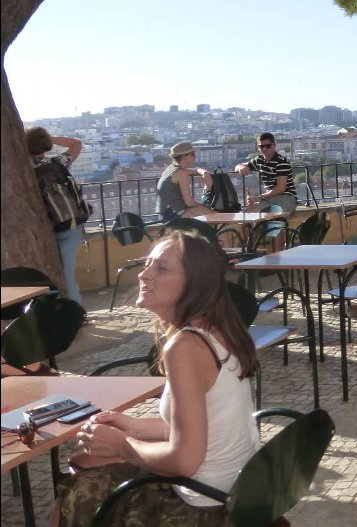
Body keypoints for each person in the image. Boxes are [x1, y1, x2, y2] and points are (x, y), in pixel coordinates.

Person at [52, 230, 259, 527]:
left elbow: (185, 459)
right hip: (235, 489)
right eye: (147, 264)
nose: (144, 274)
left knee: (77, 491)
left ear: (193, 285)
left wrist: (122, 444)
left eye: (161, 268)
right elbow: (200, 426)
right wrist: (132, 426)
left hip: (207, 506)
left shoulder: (185, 346)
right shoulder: (216, 330)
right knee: (86, 468)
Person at [26, 127, 85, 305]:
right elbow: (76, 143)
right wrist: (47, 139)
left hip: (46, 225)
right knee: (66, 272)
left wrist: (27, 140)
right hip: (70, 223)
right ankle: (76, 309)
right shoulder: (58, 163)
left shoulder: (25, 169)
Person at [235, 133, 298, 213]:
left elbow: (280, 188)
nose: (264, 149)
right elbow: (238, 166)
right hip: (269, 198)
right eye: (261, 146)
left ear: (274, 145)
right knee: (245, 214)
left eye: (268, 146)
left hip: (286, 197)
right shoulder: (259, 160)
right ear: (258, 148)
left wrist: (258, 198)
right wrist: (241, 168)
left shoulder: (281, 162)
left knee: (264, 216)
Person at [157, 142, 214, 221]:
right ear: (184, 156)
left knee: (210, 216)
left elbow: (195, 170)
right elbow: (189, 203)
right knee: (216, 217)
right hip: (174, 214)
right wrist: (205, 205)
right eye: (193, 154)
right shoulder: (181, 173)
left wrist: (204, 173)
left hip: (165, 214)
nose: (195, 157)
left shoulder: (171, 169)